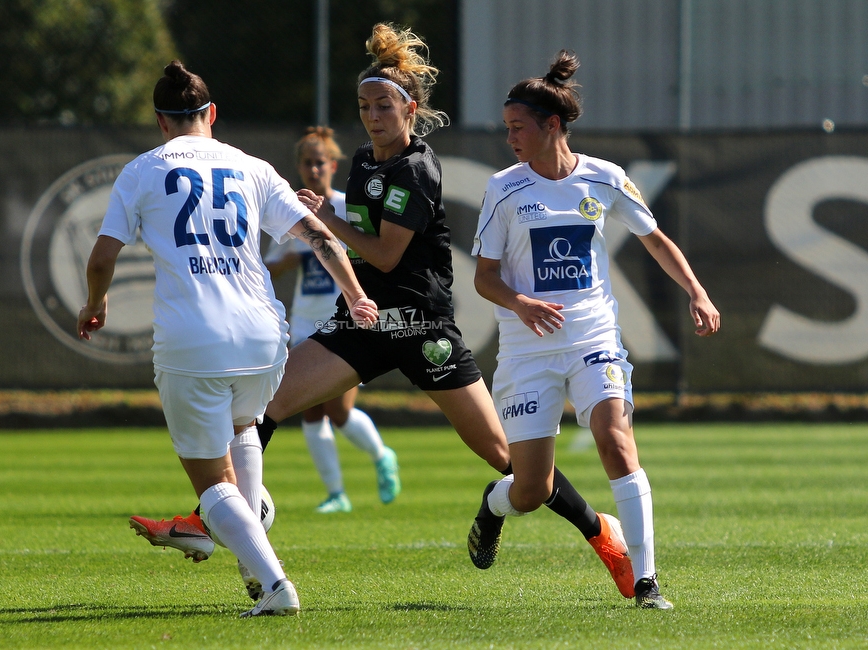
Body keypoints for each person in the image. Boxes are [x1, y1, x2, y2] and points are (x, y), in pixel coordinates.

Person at [131, 25, 637, 600]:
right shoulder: (365, 164)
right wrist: (338, 243)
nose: (372, 116)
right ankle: (221, 521)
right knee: (264, 407)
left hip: (422, 327)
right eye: (365, 106)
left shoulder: (417, 169)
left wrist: (327, 221)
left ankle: (603, 533)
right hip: (368, 322)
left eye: (384, 106)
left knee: (511, 463)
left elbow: (386, 253)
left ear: (410, 109)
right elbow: (362, 253)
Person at [77, 60, 378, 618]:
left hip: (194, 339)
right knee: (244, 429)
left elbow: (101, 258)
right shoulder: (251, 167)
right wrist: (356, 294)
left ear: (161, 122)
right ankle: (250, 556)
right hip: (265, 334)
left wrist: (95, 305)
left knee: (212, 482)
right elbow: (318, 234)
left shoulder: (142, 170)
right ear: (210, 114)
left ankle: (274, 582)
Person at [470, 50, 721, 609]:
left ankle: (648, 581)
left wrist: (697, 293)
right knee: (531, 491)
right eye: (506, 127)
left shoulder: (605, 177)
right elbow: (485, 278)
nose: (509, 137)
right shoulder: (504, 188)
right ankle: (494, 506)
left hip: (593, 339)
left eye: (518, 127)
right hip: (526, 351)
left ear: (552, 125)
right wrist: (523, 305)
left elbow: (655, 239)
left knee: (616, 442)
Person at [264, 127, 400, 513]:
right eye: (306, 163)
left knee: (339, 412)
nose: (312, 169)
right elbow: (268, 269)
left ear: (333, 166)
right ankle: (336, 493)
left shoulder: (344, 207)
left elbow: (369, 254)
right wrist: (288, 261)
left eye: (319, 162)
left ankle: (381, 455)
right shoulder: (290, 210)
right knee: (309, 407)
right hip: (305, 322)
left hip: (344, 320)